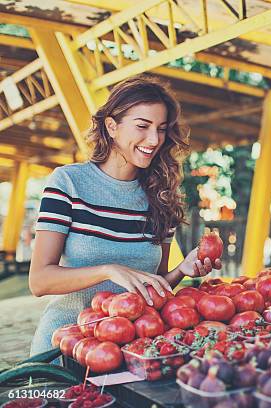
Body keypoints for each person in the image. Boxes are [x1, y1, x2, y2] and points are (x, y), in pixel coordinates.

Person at [29, 75, 221, 356]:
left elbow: (151, 289)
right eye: (142, 126)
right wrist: (109, 270)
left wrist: (181, 270)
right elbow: (40, 281)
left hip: (132, 354)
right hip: (66, 347)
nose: (154, 139)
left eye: (162, 129)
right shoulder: (68, 182)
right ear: (112, 126)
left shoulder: (162, 197)